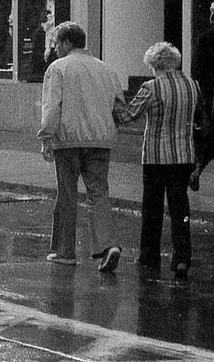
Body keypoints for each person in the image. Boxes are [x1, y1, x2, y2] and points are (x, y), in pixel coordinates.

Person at [37, 21, 123, 273]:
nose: (55, 50)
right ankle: (109, 245)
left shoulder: (58, 68)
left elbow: (52, 108)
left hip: (68, 140)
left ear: (66, 43)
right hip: (100, 140)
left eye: (56, 44)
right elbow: (119, 106)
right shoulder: (106, 69)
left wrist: (46, 137)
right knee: (98, 193)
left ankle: (65, 251)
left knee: (67, 193)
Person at [117, 42, 202, 276]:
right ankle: (182, 258)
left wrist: (114, 103)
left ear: (155, 65)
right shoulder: (192, 85)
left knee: (152, 208)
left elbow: (128, 115)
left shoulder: (151, 87)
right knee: (180, 208)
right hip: (184, 155)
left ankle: (149, 256)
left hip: (156, 156)